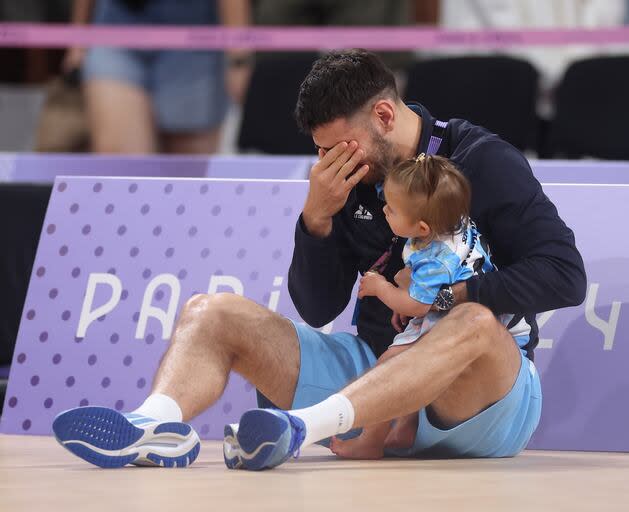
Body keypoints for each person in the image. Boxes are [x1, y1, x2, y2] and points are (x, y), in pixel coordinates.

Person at [52, 49, 586, 470]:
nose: (328, 162)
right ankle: (154, 427)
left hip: (477, 396)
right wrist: (316, 223)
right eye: (320, 150)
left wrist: (445, 298)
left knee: (472, 322)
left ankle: (306, 428)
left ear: (382, 115)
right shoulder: (348, 183)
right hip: (375, 375)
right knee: (209, 311)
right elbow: (317, 306)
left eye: (338, 146)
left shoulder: (480, 160)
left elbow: (566, 276)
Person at [329, 153, 516, 460]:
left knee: (390, 365)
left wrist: (383, 289)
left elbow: (417, 305)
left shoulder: (435, 260)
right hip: (466, 307)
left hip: (455, 322)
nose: (384, 210)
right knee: (412, 367)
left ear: (422, 228)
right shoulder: (452, 223)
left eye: (391, 209)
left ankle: (371, 440)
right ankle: (405, 426)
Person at [63, 0, 251, 154]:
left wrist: (238, 58)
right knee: (121, 168)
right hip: (115, 26)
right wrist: (78, 36)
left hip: (194, 38)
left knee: (185, 179)